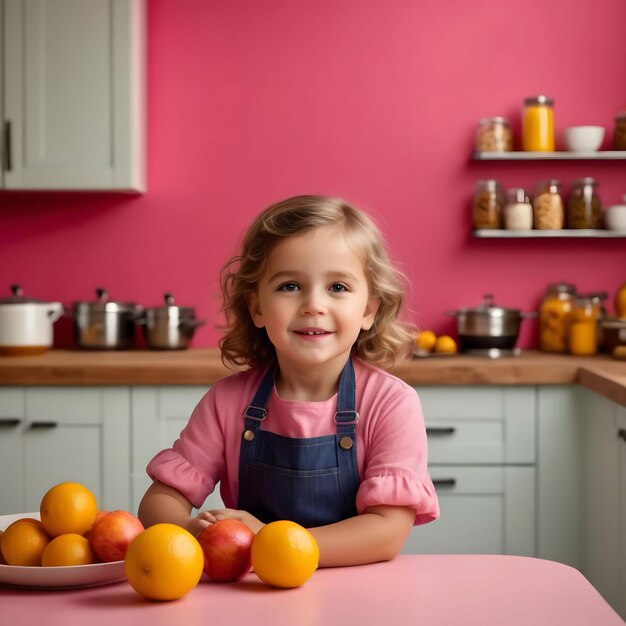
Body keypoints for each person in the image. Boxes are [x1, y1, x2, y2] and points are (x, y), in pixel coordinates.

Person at [138, 194, 439, 567]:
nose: (314, 304)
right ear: (257, 308)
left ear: (369, 310)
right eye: (290, 286)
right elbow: (159, 501)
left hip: (356, 595)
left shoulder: (390, 403)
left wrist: (266, 538)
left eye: (338, 287)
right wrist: (189, 530)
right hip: (255, 593)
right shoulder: (227, 402)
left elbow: (386, 533)